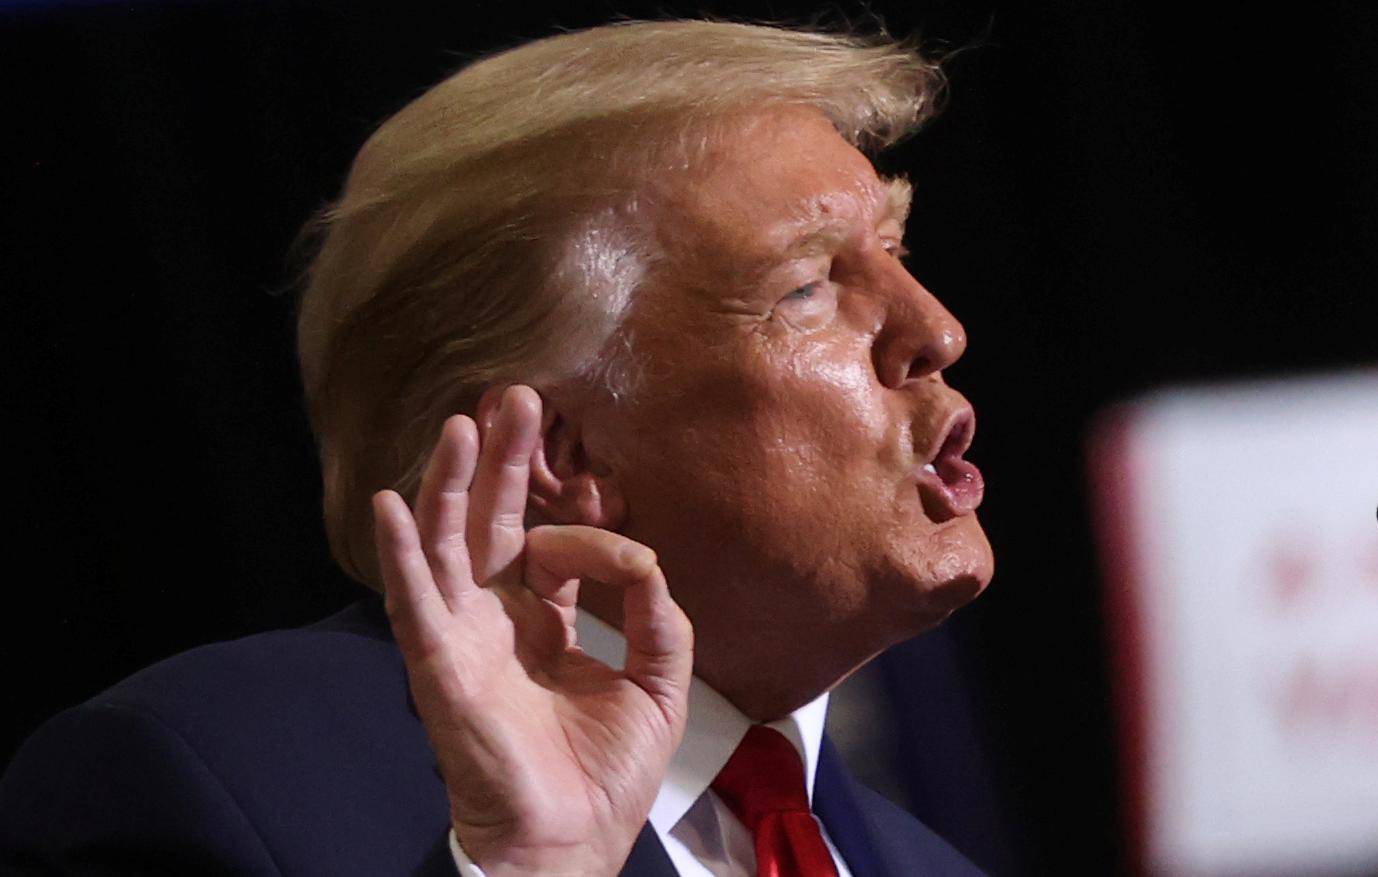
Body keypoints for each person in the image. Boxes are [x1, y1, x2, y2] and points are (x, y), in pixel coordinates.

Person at [0, 19, 994, 876]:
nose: (937, 330)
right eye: (806, 288)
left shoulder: (927, 863)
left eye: (896, 254)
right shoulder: (217, 780)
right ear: (555, 454)